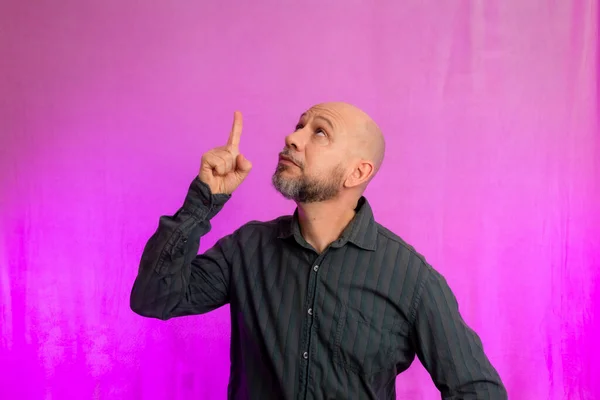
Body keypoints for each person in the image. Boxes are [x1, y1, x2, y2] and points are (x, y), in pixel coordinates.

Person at [130, 102, 507, 399]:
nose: (293, 138)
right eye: (299, 125)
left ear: (357, 173)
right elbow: (153, 299)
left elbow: (478, 391)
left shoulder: (411, 279)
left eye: (320, 132)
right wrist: (204, 201)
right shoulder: (247, 249)